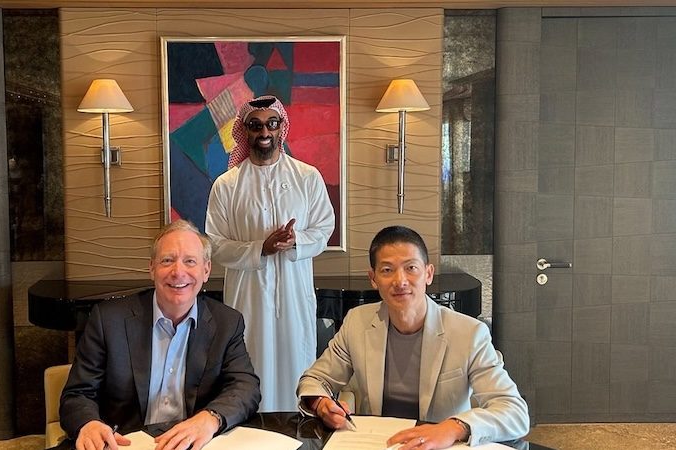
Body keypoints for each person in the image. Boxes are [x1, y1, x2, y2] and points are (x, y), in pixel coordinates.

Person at [297, 226, 530, 449]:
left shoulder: (469, 333)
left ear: (428, 274)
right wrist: (321, 403)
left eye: (411, 268)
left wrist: (453, 428)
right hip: (378, 444)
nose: (400, 281)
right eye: (387, 270)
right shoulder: (357, 322)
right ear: (373, 278)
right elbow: (314, 379)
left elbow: (514, 412)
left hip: (440, 446)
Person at [60, 220, 261, 450]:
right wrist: (89, 423)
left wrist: (210, 418)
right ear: (152, 268)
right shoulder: (108, 320)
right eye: (167, 260)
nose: (178, 272)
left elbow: (246, 387)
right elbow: (77, 394)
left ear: (206, 270)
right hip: (125, 444)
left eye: (190, 261)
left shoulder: (227, 322)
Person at [205, 95, 335, 411]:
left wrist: (296, 243)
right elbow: (216, 245)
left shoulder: (307, 177)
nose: (264, 131)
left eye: (271, 124)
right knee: (250, 365)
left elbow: (324, 227)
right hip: (248, 299)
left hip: (294, 297)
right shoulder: (226, 185)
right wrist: (259, 249)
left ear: (281, 128)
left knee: (297, 367)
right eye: (255, 125)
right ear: (244, 131)